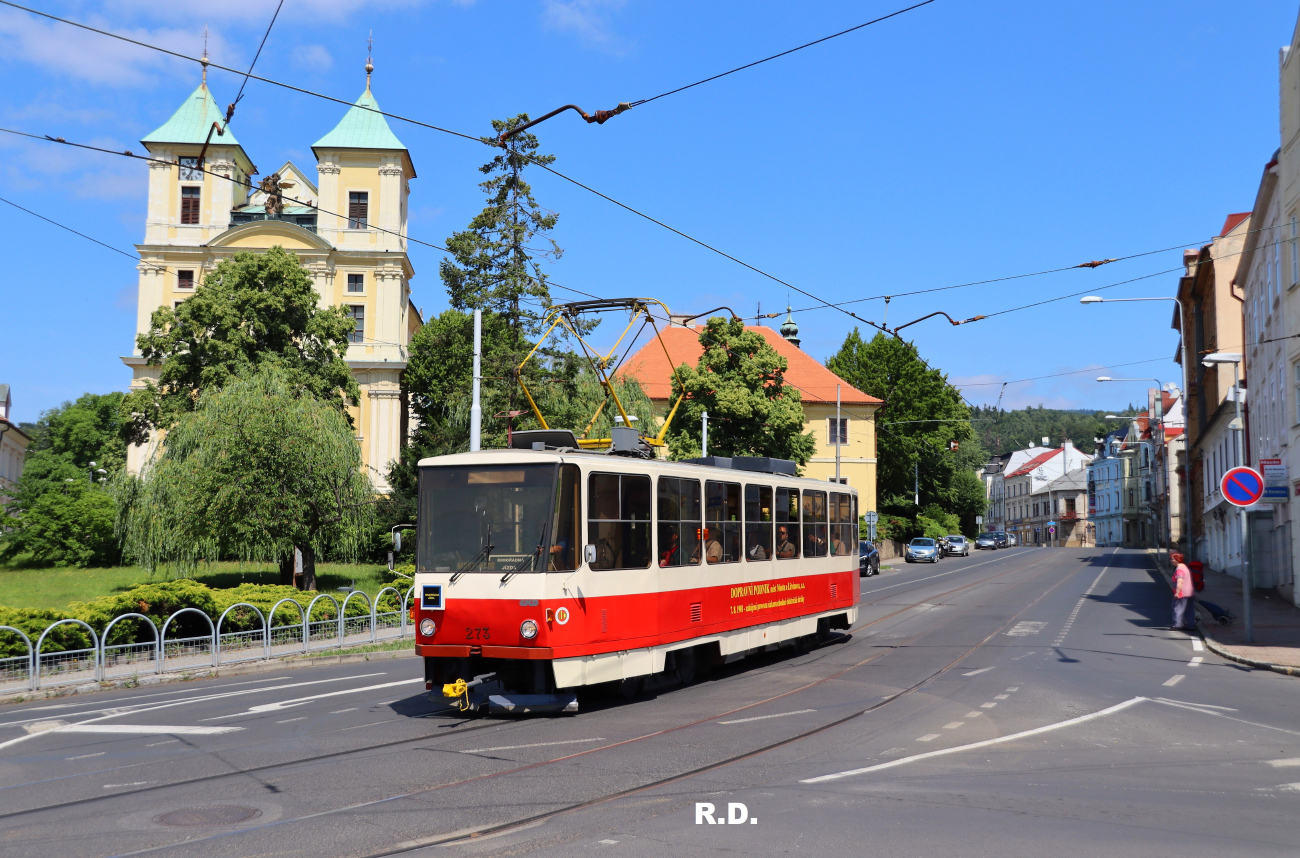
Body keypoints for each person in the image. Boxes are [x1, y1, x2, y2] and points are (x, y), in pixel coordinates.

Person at [1171, 552, 1195, 631]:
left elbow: (1180, 581)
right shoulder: (1185, 567)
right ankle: (1190, 625)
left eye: (1173, 559)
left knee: (1178, 608)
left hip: (1182, 592)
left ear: (1177, 560)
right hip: (1189, 591)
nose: (1171, 561)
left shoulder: (1179, 569)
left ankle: (1177, 625)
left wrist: (1177, 592)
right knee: (1189, 609)